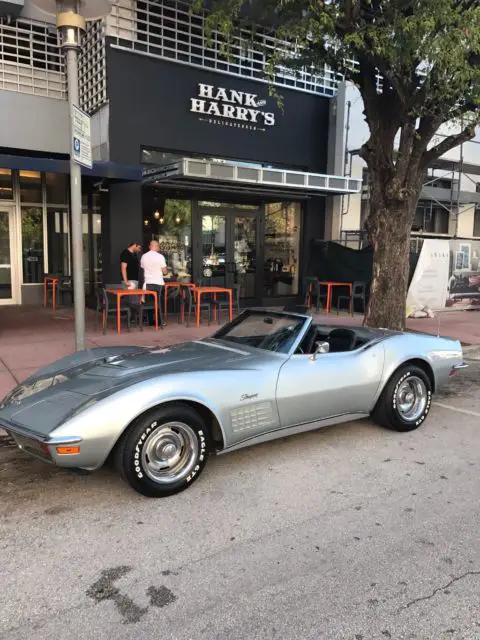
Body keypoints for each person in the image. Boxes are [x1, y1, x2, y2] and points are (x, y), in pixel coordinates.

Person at [140, 240, 168, 326]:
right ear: (156, 247)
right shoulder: (160, 257)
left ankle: (150, 321)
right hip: (158, 283)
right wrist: (166, 271)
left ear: (150, 247)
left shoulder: (144, 256)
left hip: (148, 283)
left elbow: (143, 267)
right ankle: (159, 322)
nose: (159, 248)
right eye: (158, 246)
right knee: (158, 302)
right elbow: (164, 272)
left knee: (149, 303)